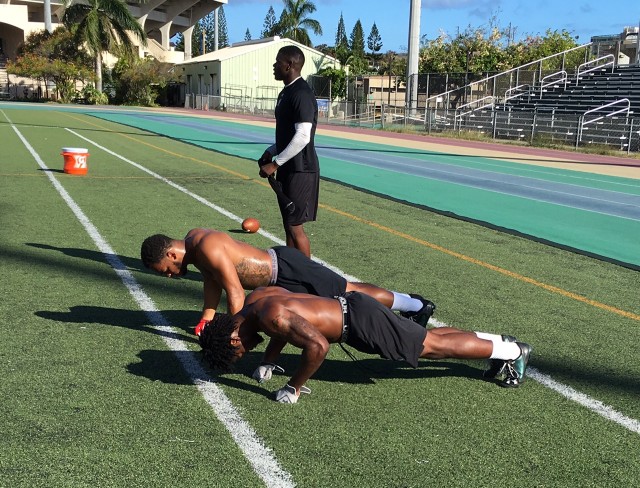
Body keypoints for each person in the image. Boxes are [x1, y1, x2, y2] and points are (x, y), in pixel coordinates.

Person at [199, 287, 533, 403]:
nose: (247, 350)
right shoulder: (257, 303)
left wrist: (294, 386)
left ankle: (514, 353)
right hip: (353, 309)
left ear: (231, 336)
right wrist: (270, 361)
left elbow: (317, 347)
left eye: (240, 350)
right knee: (432, 339)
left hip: (359, 323)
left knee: (431, 347)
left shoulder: (269, 317)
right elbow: (279, 329)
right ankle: (500, 343)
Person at [140, 228, 435, 336]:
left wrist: (234, 332)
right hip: (277, 279)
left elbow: (234, 291)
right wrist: (207, 317)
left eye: (164, 269)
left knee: (349, 293)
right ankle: (411, 304)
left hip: (286, 269)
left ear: (170, 253)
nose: (167, 275)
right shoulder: (195, 248)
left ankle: (415, 303)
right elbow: (212, 283)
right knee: (344, 296)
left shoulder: (205, 246)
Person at [258, 45, 319, 258]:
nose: (274, 66)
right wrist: (271, 151)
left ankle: (308, 280)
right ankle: (292, 275)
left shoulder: (301, 93)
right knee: (288, 225)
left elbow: (303, 136)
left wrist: (275, 163)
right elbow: (288, 134)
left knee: (295, 226)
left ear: (289, 65)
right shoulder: (287, 92)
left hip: (301, 170)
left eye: (278, 62)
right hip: (288, 166)